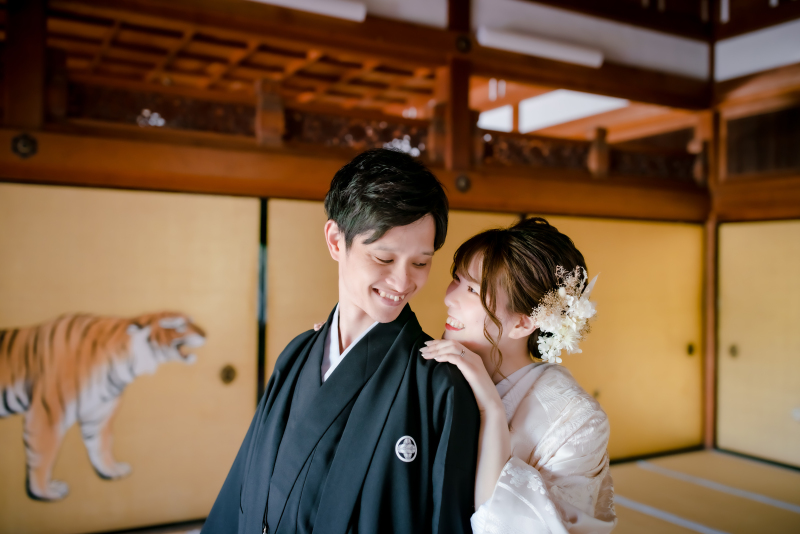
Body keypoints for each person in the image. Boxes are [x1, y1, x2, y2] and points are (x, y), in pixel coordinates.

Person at [201, 148, 480, 534]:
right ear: (336, 240)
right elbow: (245, 489)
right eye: (384, 259)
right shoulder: (298, 353)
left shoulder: (439, 385)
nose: (402, 283)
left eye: (420, 263)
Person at [420, 217, 617, 534]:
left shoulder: (578, 420)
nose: (449, 298)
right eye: (456, 279)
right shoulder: (434, 366)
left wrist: (492, 410)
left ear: (524, 323)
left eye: (472, 289)